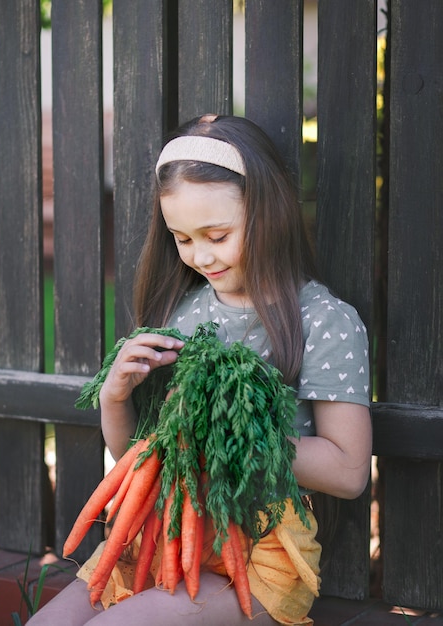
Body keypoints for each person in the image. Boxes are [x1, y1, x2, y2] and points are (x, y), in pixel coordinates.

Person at [28, 114, 372, 625]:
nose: (200, 255)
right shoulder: (182, 313)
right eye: (182, 239)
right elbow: (138, 456)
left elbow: (347, 472)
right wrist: (116, 399)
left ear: (269, 214)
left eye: (217, 234)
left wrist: (233, 435)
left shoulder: (324, 322)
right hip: (167, 534)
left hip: (257, 554)